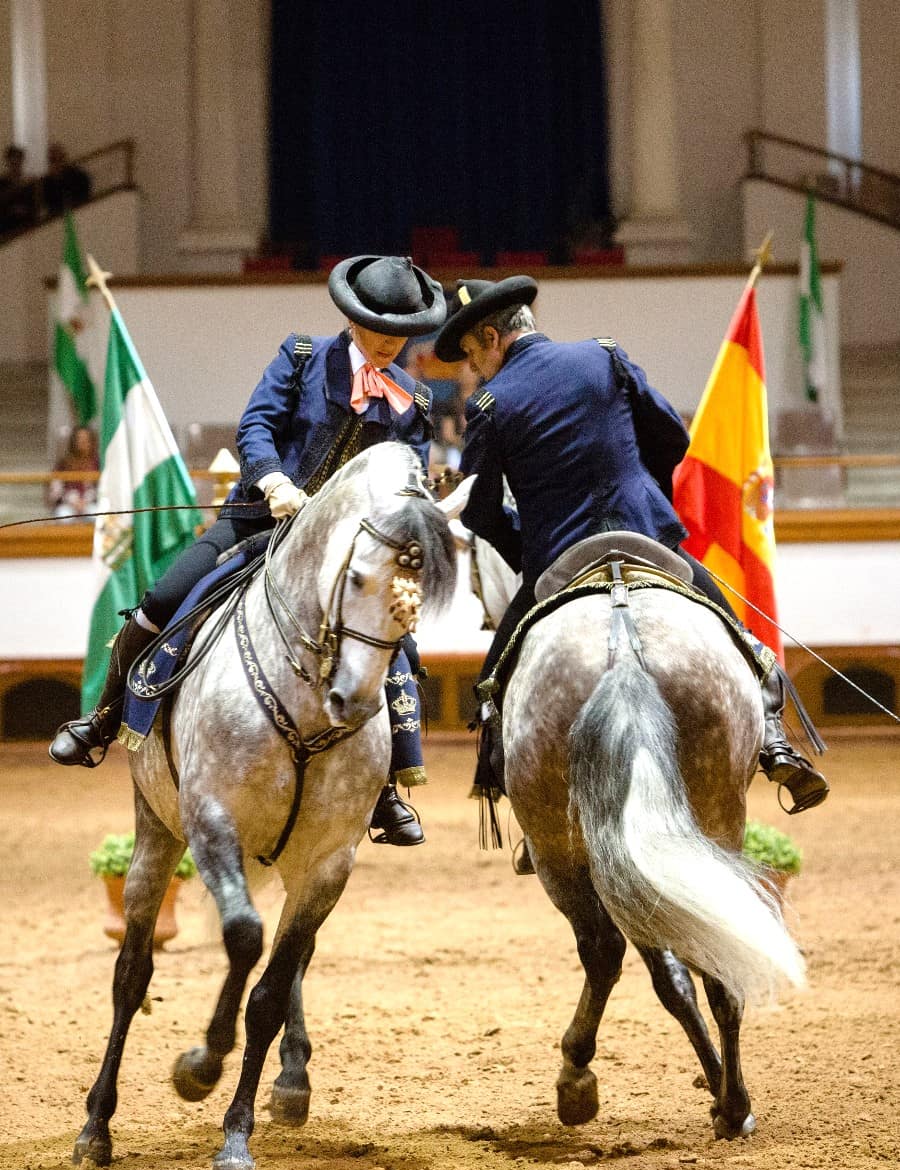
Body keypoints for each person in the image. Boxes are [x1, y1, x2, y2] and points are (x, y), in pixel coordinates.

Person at [50, 254, 448, 846]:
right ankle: (104, 720)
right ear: (354, 319)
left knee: (398, 645)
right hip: (257, 520)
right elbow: (256, 425)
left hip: (343, 551)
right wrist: (273, 480)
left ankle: (386, 788)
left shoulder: (413, 401)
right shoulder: (303, 356)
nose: (392, 343)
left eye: (402, 334)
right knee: (163, 598)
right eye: (381, 330)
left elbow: (406, 469)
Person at [433, 275, 828, 869]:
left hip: (557, 551)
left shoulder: (490, 405)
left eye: (471, 357)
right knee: (735, 630)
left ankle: (520, 801)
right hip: (644, 533)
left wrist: (530, 555)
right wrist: (648, 502)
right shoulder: (604, 355)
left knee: (495, 684)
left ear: (491, 336)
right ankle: (775, 741)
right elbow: (671, 437)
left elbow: (483, 510)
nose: (474, 371)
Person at [47, 425, 99, 519]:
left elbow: (102, 488)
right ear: (73, 442)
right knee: (63, 516)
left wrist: (86, 501)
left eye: (86, 439)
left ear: (91, 442)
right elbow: (56, 487)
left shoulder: (98, 463)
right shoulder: (63, 464)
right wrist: (73, 500)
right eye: (79, 439)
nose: (82, 442)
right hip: (68, 505)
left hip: (91, 503)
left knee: (97, 516)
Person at [42, 142, 92, 216]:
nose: (57, 164)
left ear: (65, 159)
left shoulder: (79, 177)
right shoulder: (44, 185)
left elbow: (85, 200)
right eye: (53, 160)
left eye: (60, 159)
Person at [0, 144, 37, 234]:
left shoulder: (30, 181)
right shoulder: (2, 182)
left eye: (18, 160)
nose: (16, 164)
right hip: (7, 226)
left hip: (28, 224)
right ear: (8, 162)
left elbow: (35, 203)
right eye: (13, 161)